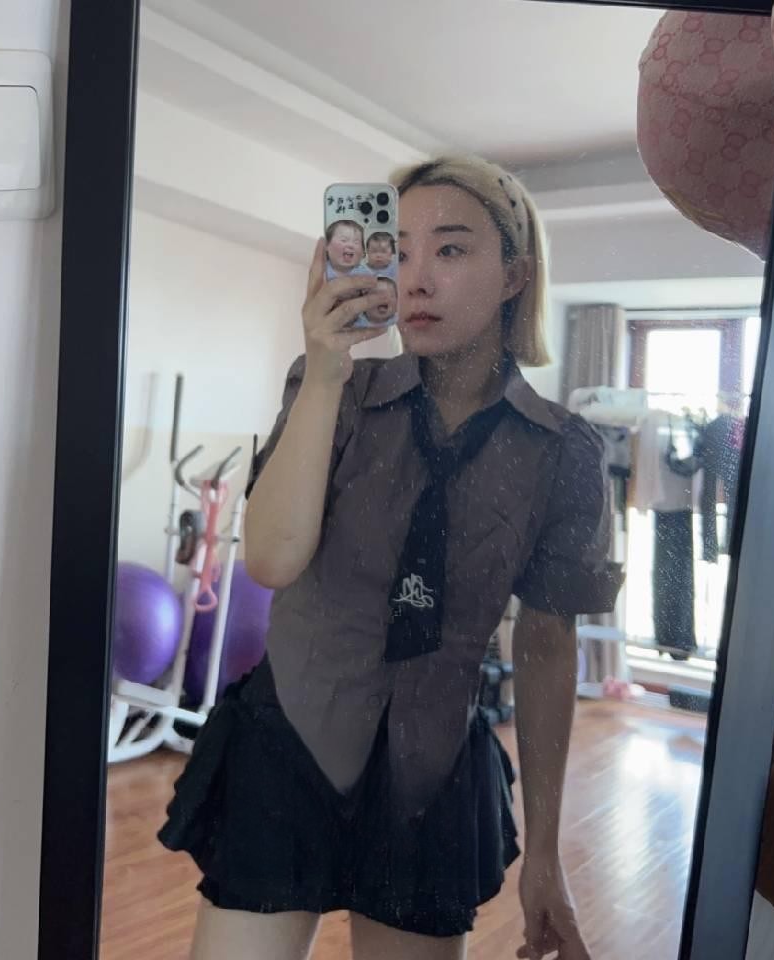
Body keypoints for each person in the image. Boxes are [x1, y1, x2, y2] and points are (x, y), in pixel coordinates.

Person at [159, 155, 624, 960]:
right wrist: (324, 372)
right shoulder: (334, 392)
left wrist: (545, 854)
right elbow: (270, 560)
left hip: (430, 772)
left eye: (451, 249)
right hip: (290, 742)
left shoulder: (561, 452)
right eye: (396, 250)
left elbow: (547, 644)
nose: (416, 278)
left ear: (514, 275)